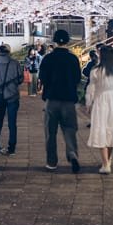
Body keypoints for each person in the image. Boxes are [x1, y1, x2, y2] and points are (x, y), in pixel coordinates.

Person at [38, 28, 82, 173]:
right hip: (69, 100)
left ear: (55, 41)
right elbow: (77, 79)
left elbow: (42, 77)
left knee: (50, 132)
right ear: (68, 41)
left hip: (52, 99)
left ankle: (51, 162)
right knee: (70, 130)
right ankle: (72, 154)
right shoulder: (73, 59)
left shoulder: (48, 59)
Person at [86, 45, 113, 174]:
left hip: (100, 101)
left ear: (101, 55)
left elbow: (91, 89)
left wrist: (88, 103)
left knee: (100, 129)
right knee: (111, 130)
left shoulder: (96, 71)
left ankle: (105, 164)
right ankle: (107, 161)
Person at [0, 44, 24, 154]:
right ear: (8, 52)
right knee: (12, 123)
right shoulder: (15, 63)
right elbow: (20, 79)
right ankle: (11, 147)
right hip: (12, 97)